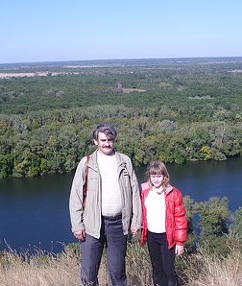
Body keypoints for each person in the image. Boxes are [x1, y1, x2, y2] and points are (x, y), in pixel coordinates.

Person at [69, 123, 142, 286]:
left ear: (114, 140)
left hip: (118, 224)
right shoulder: (87, 163)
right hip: (92, 225)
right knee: (88, 273)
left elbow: (135, 192)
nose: (107, 143)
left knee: (118, 273)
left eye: (110, 140)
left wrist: (136, 221)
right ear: (96, 141)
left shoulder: (125, 161)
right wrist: (77, 225)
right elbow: (76, 195)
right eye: (103, 140)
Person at [140, 161, 188, 286]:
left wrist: (180, 242)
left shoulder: (173, 193)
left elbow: (180, 218)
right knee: (157, 270)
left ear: (165, 176)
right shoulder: (144, 192)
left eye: (159, 176)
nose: (156, 179)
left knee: (169, 270)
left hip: (167, 237)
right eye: (153, 176)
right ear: (149, 176)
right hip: (151, 236)